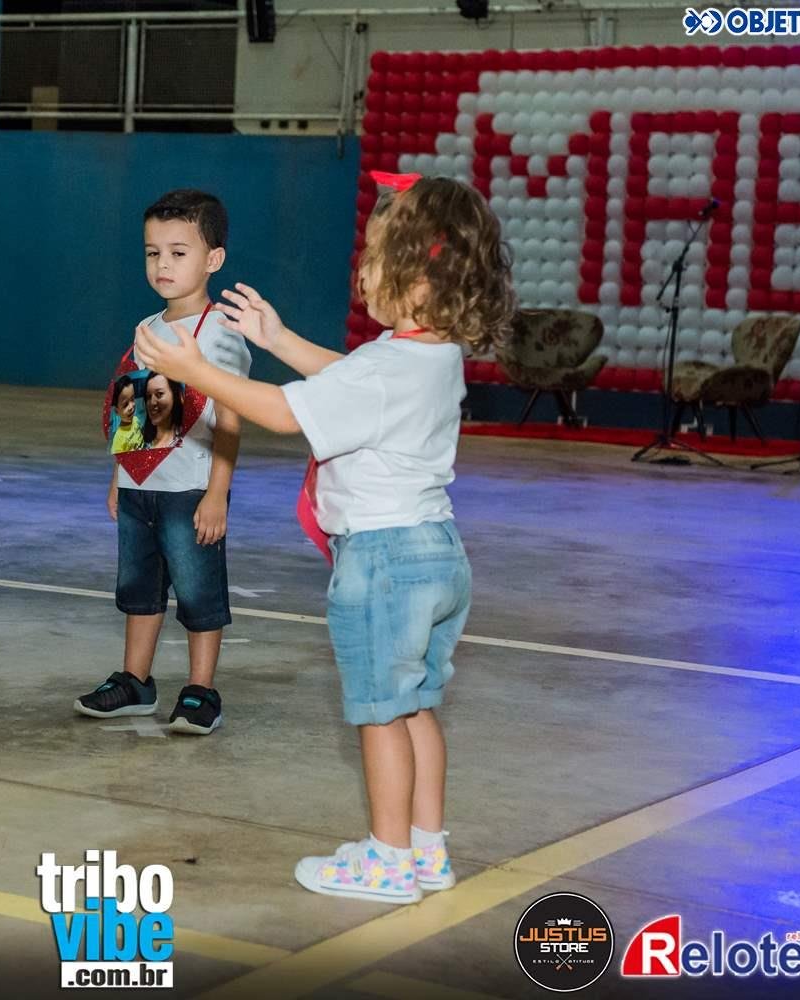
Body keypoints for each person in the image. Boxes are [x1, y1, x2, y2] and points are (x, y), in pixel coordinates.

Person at [133, 173, 515, 904]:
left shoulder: (387, 366)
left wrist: (195, 371)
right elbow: (350, 379)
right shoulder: (428, 356)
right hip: (436, 554)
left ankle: (387, 860)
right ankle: (427, 850)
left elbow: (285, 413)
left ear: (421, 278)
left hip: (382, 562)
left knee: (379, 715)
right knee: (415, 706)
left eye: (375, 260)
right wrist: (278, 339)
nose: (362, 273)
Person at [74, 189, 250, 736]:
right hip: (139, 488)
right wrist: (119, 477)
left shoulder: (222, 333)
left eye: (178, 252)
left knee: (198, 592)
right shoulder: (147, 327)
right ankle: (135, 681)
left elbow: (230, 419)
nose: (162, 265)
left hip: (191, 490)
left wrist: (217, 493)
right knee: (140, 588)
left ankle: (201, 689)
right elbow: (133, 410)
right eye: (153, 253)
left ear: (213, 259)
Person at [108, 374, 144, 455]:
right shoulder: (119, 439)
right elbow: (119, 461)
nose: (131, 406)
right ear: (116, 411)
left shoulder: (136, 420)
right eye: (125, 405)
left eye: (132, 399)